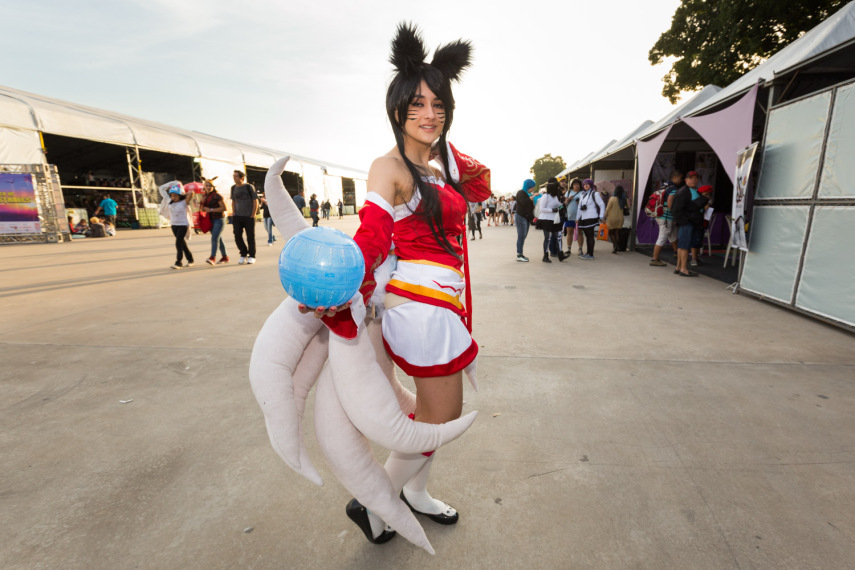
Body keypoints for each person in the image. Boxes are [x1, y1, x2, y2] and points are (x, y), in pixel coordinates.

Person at [300, 23, 490, 546]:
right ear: (397, 109)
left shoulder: (437, 165)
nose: (430, 114)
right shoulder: (391, 166)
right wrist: (343, 289)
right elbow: (372, 236)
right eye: (417, 105)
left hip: (441, 306)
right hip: (421, 311)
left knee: (429, 418)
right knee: (439, 419)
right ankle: (375, 500)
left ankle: (414, 495)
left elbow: (479, 182)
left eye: (438, 103)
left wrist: (449, 159)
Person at [671, 171, 707, 277]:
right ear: (686, 179)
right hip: (687, 223)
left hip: (689, 222)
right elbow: (676, 209)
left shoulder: (691, 191)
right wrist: (684, 221)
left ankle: (679, 267)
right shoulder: (683, 192)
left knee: (682, 246)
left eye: (696, 178)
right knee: (685, 246)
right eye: (691, 178)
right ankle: (683, 269)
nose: (694, 180)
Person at [158, 181, 194, 268]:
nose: (173, 197)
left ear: (179, 195)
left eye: (175, 195)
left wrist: (181, 190)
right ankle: (190, 259)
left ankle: (178, 262)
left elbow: (191, 193)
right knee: (182, 243)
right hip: (174, 225)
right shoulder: (169, 200)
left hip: (183, 225)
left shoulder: (184, 202)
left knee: (178, 243)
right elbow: (161, 188)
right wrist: (173, 183)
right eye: (172, 195)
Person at [650, 170, 682, 266]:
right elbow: (670, 203)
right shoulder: (673, 189)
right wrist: (675, 215)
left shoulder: (664, 186)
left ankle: (677, 252)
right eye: (680, 178)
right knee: (663, 236)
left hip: (660, 214)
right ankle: (654, 259)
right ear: (675, 178)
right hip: (666, 216)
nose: (681, 180)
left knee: (672, 234)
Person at [230, 170, 258, 264]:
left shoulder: (249, 187)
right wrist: (233, 212)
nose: (234, 178)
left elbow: (255, 201)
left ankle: (252, 256)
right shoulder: (233, 188)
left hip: (248, 216)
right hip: (237, 216)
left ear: (242, 178)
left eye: (236, 176)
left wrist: (253, 214)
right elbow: (233, 201)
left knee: (250, 237)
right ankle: (243, 253)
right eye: (233, 176)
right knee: (237, 235)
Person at [537, 178, 567, 263]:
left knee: (558, 236)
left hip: (554, 220)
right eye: (556, 188)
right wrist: (552, 210)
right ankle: (545, 256)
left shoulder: (554, 197)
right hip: (546, 220)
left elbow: (559, 206)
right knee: (548, 238)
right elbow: (541, 209)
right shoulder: (545, 196)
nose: (558, 189)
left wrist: (564, 204)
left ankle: (560, 254)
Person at [200, 179, 229, 264]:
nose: (208, 187)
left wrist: (211, 209)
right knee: (218, 239)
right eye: (207, 185)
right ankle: (225, 257)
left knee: (214, 238)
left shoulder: (217, 196)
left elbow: (224, 208)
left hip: (219, 219)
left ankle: (213, 257)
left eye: (210, 186)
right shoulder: (204, 196)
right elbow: (202, 209)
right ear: (204, 187)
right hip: (210, 220)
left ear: (213, 187)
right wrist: (201, 203)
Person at [575, 178, 605, 260]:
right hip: (584, 218)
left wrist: (601, 216)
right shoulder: (582, 194)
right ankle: (588, 252)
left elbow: (602, 204)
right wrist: (577, 218)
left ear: (591, 185)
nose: (585, 185)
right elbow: (579, 207)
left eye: (587, 184)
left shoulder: (595, 193)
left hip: (591, 217)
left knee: (590, 235)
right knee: (588, 236)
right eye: (584, 184)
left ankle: (590, 254)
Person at [514, 179, 536, 261]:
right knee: (521, 236)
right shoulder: (521, 192)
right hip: (521, 217)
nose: (533, 188)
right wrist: (530, 198)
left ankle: (520, 254)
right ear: (529, 186)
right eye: (532, 187)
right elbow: (522, 202)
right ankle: (519, 255)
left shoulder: (527, 193)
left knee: (523, 236)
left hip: (525, 218)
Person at [605, 185, 628, 254]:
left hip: (612, 218)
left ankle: (615, 245)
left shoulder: (612, 198)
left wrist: (604, 216)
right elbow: (628, 207)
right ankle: (616, 245)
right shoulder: (624, 199)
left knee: (611, 232)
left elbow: (608, 208)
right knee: (617, 232)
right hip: (620, 218)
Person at [563, 178, 583, 255]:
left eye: (578, 184)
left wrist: (579, 203)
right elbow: (564, 203)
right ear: (572, 185)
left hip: (579, 216)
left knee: (580, 232)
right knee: (569, 232)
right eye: (575, 184)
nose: (576, 186)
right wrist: (568, 199)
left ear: (580, 185)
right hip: (569, 215)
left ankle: (580, 249)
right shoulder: (568, 193)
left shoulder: (582, 193)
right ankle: (568, 249)